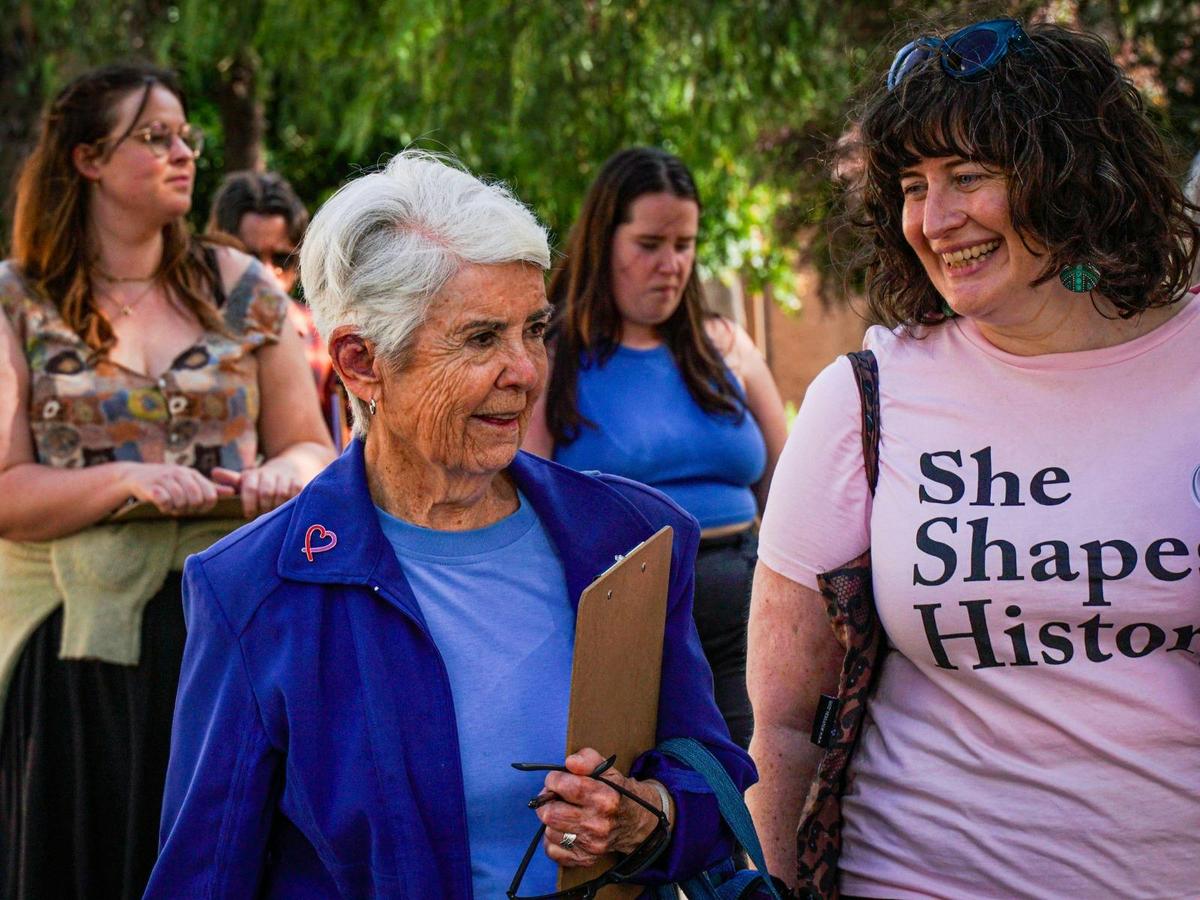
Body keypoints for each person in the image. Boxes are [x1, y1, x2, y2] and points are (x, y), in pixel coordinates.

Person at [145, 150, 755, 898]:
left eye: (533, 330)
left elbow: (708, 773)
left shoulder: (629, 536)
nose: (526, 370)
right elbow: (204, 875)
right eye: (479, 339)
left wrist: (647, 818)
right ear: (362, 362)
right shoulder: (255, 589)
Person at [747, 18, 1200, 899]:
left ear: (1071, 176)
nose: (935, 220)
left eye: (968, 177)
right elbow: (783, 726)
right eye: (913, 185)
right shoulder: (867, 397)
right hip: (916, 877)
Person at [0, 64, 335, 899]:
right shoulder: (16, 300)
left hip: (233, 627)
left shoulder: (243, 288)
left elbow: (311, 449)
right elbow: (5, 489)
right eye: (155, 138)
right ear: (87, 159)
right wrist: (130, 480)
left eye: (186, 136)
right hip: (81, 651)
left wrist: (275, 479)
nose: (183, 153)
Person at [523, 147, 788, 751]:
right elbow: (528, 496)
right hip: (623, 610)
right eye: (649, 245)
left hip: (743, 602)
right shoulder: (553, 355)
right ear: (602, 241)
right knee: (644, 801)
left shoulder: (726, 346)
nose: (671, 264)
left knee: (752, 796)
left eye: (685, 244)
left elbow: (792, 482)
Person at [207, 170, 345, 446]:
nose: (266, 275)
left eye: (281, 259)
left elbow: (339, 445)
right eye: (249, 258)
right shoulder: (179, 332)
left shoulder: (323, 339)